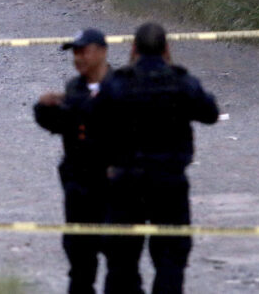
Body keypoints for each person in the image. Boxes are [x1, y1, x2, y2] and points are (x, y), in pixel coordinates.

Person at [90, 22, 219, 294]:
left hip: (126, 182)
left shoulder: (118, 83)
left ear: (133, 48)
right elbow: (210, 113)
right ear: (167, 49)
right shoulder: (181, 81)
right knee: (171, 259)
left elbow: (94, 123)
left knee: (122, 261)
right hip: (169, 181)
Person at [34, 28, 112, 294]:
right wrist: (44, 109)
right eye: (74, 52)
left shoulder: (121, 87)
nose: (78, 58)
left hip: (114, 189)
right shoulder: (74, 88)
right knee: (80, 264)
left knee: (121, 266)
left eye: (83, 51)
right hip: (79, 186)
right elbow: (61, 125)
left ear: (102, 52)